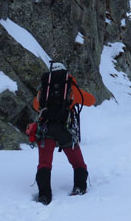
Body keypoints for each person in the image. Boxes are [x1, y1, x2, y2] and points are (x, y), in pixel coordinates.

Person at [32, 62, 95, 205]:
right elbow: (91, 101)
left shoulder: (44, 89)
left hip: (46, 129)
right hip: (65, 130)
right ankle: (79, 187)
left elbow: (36, 106)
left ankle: (44, 195)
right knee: (77, 161)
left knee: (44, 163)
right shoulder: (70, 89)